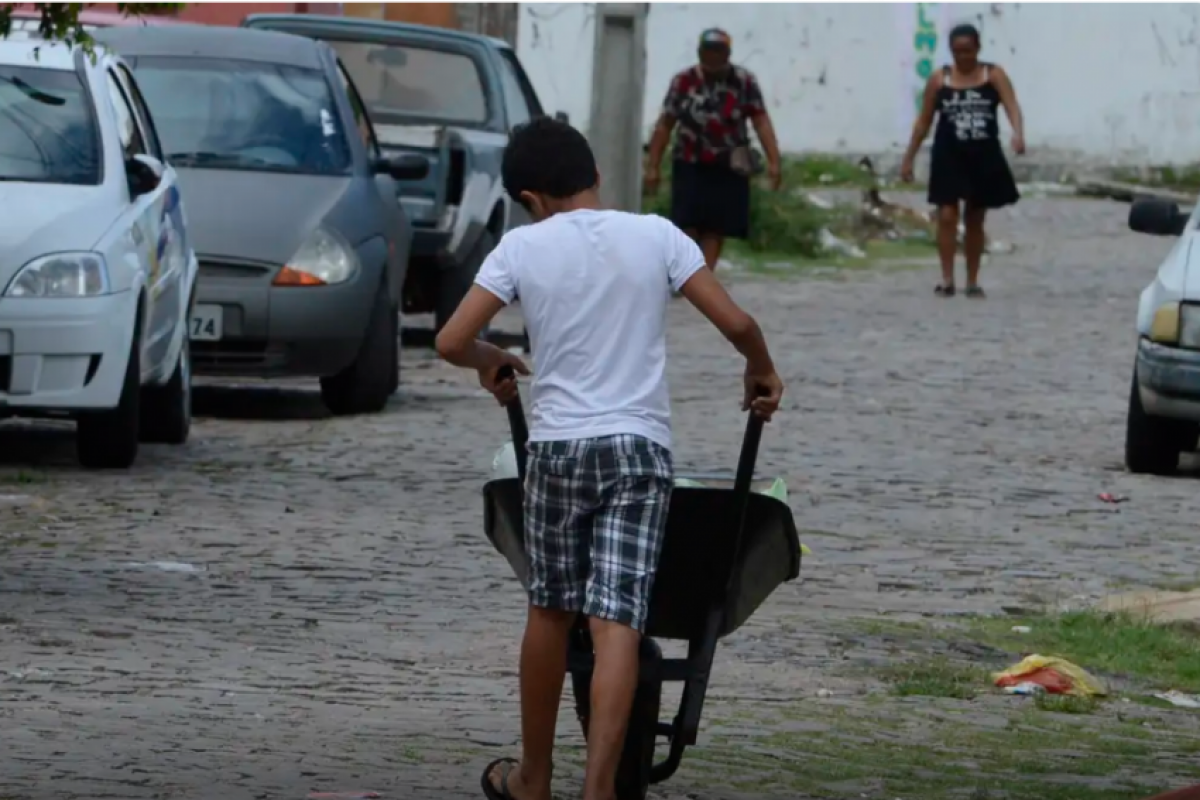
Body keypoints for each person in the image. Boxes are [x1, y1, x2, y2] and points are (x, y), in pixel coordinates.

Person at [434, 116, 783, 800]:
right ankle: (600, 790)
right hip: (637, 449)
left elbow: (450, 340)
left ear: (531, 197)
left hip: (559, 449)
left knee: (549, 611)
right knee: (617, 618)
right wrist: (760, 370)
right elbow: (737, 323)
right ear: (595, 177)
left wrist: (492, 359)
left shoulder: (520, 247)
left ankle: (534, 778)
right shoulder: (655, 235)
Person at [900, 22, 1024, 299]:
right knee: (946, 215)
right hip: (949, 155)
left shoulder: (993, 75)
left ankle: (972, 279)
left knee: (975, 217)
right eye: (957, 52)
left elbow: (1012, 106)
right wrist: (908, 158)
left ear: (977, 49)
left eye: (967, 51)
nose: (963, 57)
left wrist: (1018, 133)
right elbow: (923, 122)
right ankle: (946, 278)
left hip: (983, 155)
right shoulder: (939, 79)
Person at [644, 28, 783, 272]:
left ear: (727, 53)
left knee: (717, 227)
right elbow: (666, 124)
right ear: (699, 52)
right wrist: (653, 165)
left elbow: (760, 120)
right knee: (687, 222)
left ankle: (702, 276)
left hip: (729, 164)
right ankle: (684, 272)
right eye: (708, 51)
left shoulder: (744, 82)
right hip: (690, 161)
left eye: (718, 51)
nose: (713, 57)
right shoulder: (684, 81)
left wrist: (774, 161)